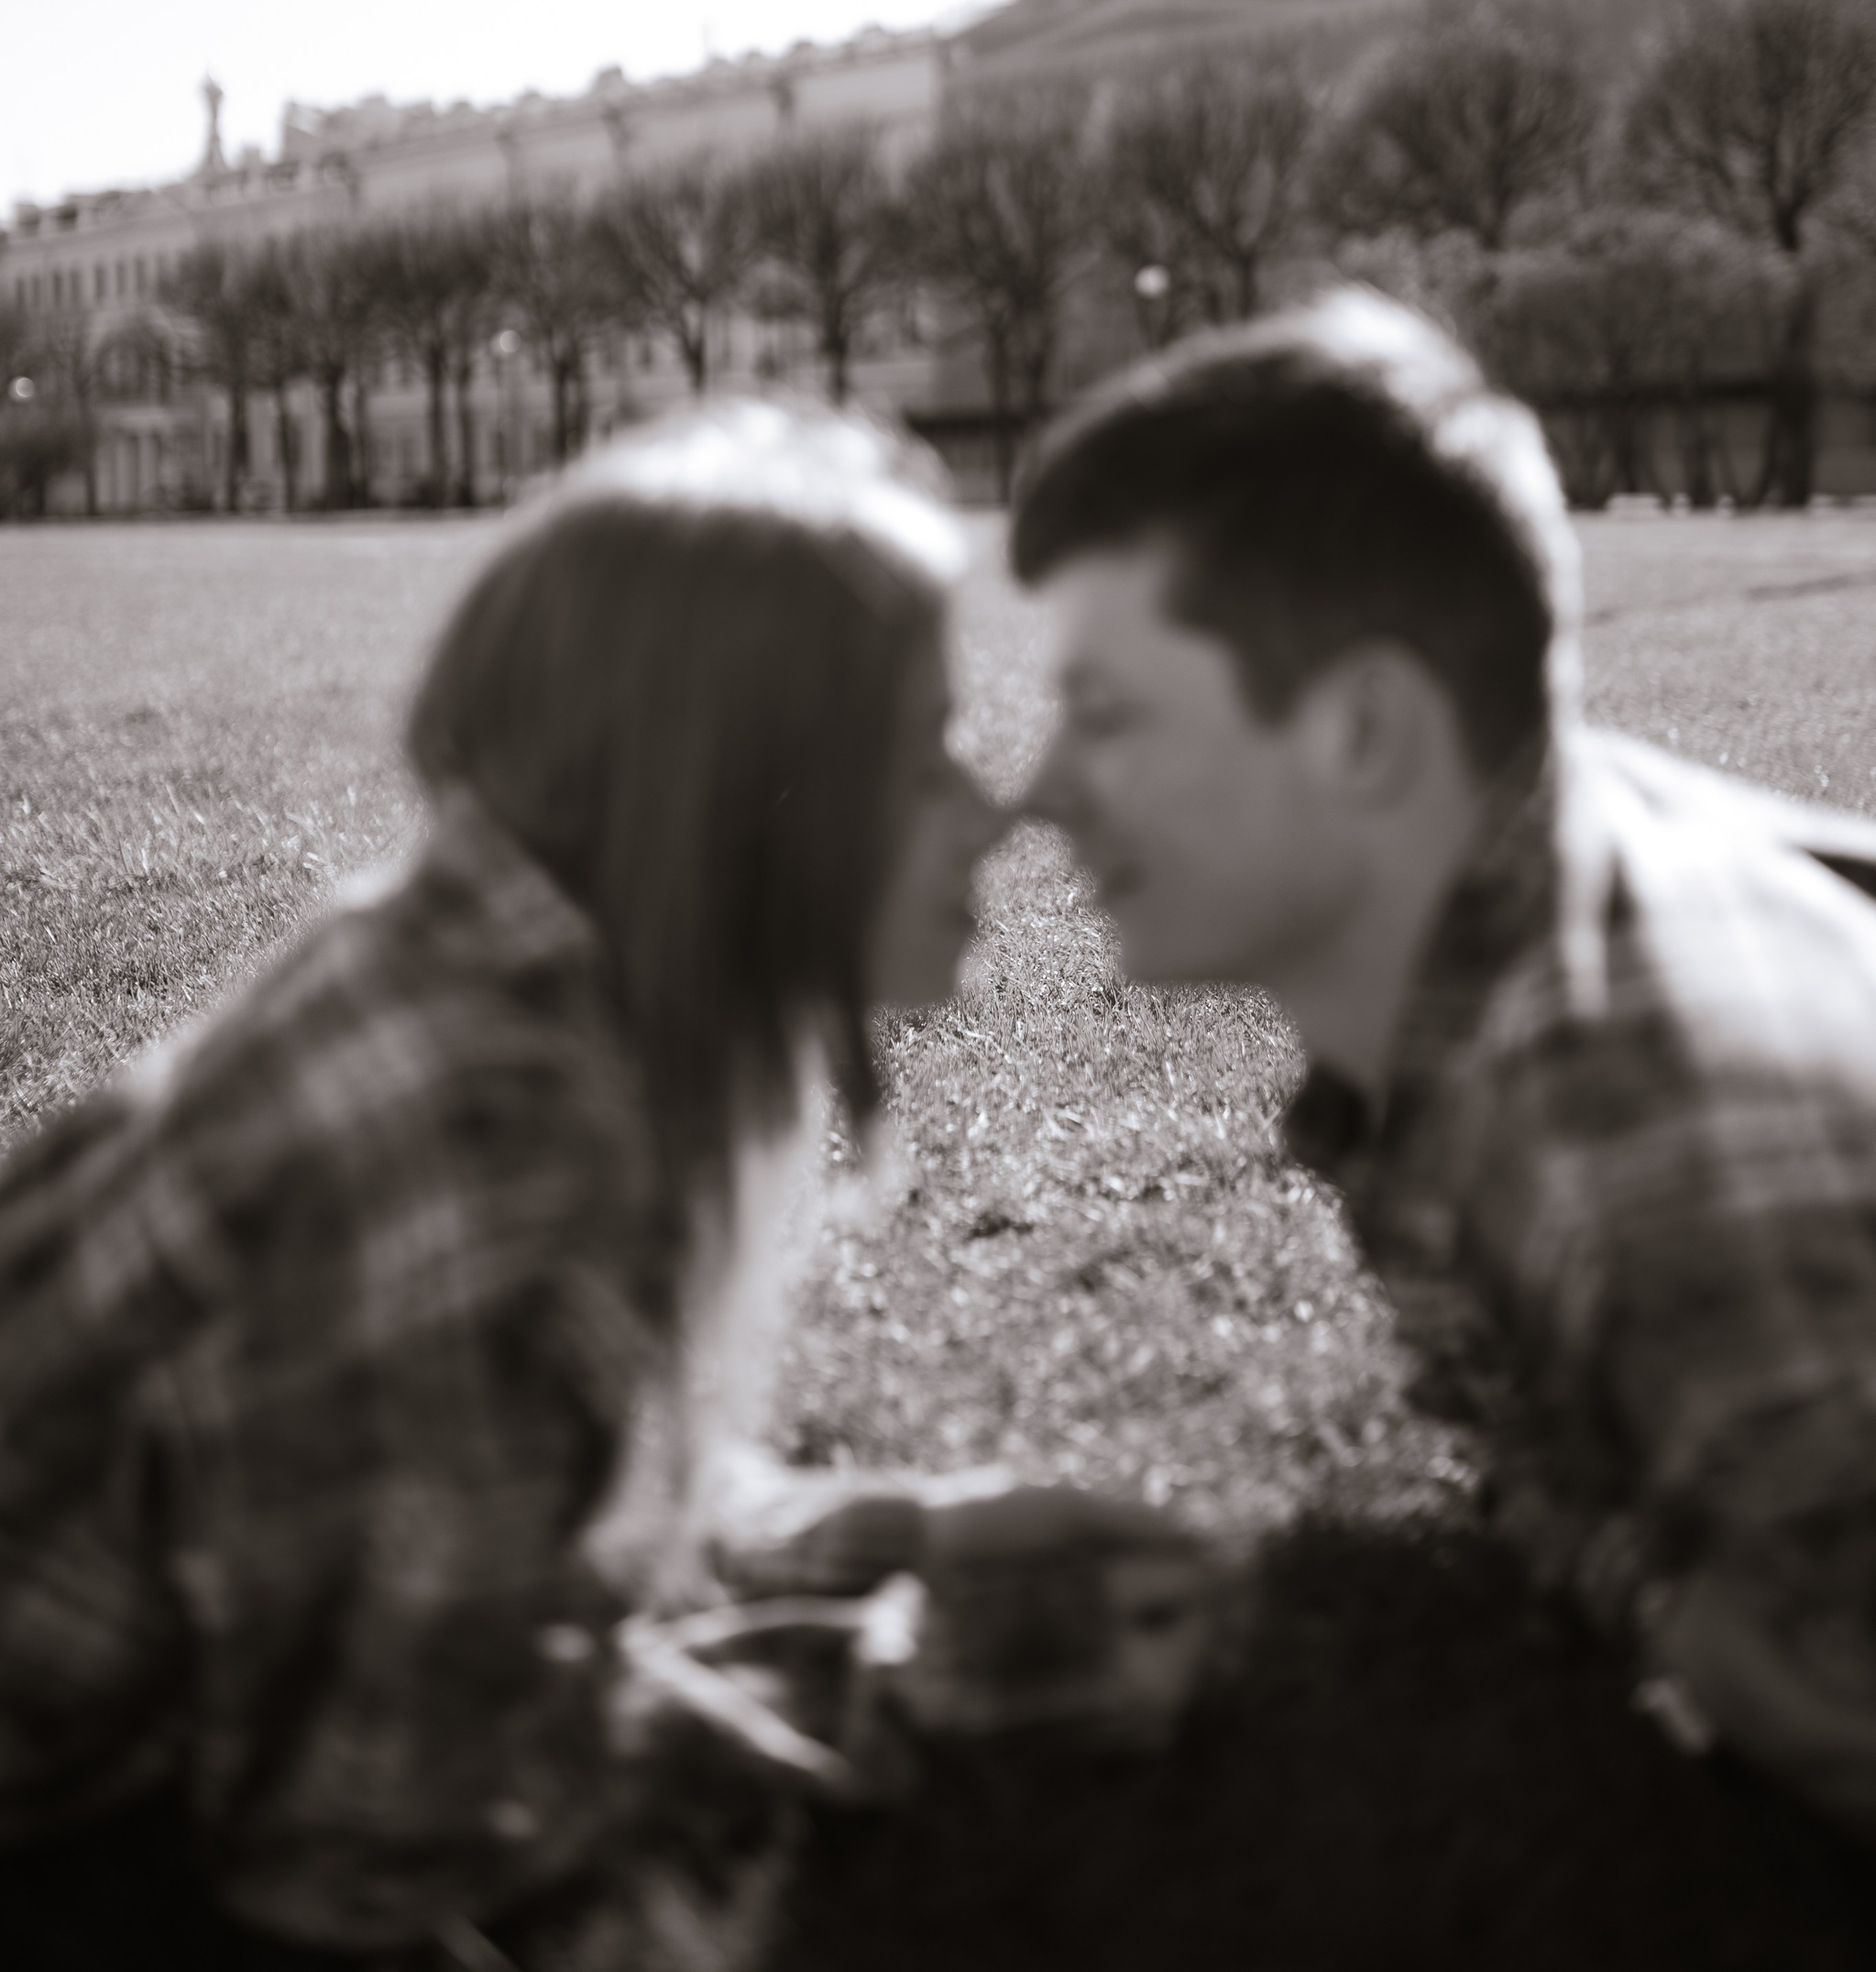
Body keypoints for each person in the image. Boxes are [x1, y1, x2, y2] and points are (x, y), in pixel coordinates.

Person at [0, 401, 1008, 1967]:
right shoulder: (494, 1144)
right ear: (741, 798)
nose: (994, 805)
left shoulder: (473, 978)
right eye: (925, 747)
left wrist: (885, 1539)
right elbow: (366, 1848)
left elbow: (500, 1479)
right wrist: (870, 1699)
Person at [1012, 287, 1876, 1855]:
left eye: (1106, 714)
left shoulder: (1640, 1146)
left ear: (1360, 730)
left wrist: (1663, 1605)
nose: (1040, 792)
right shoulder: (1524, 896)